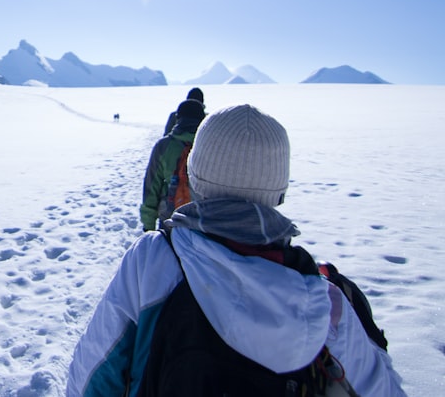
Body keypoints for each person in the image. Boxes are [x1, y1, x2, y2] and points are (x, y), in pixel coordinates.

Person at [67, 104, 405, 397]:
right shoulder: (323, 300)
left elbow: (93, 373)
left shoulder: (152, 260)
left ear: (194, 176)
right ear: (279, 192)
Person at [140, 99, 205, 232]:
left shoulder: (164, 146)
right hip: (204, 223)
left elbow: (152, 187)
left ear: (178, 119)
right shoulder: (210, 147)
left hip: (170, 220)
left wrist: (148, 226)